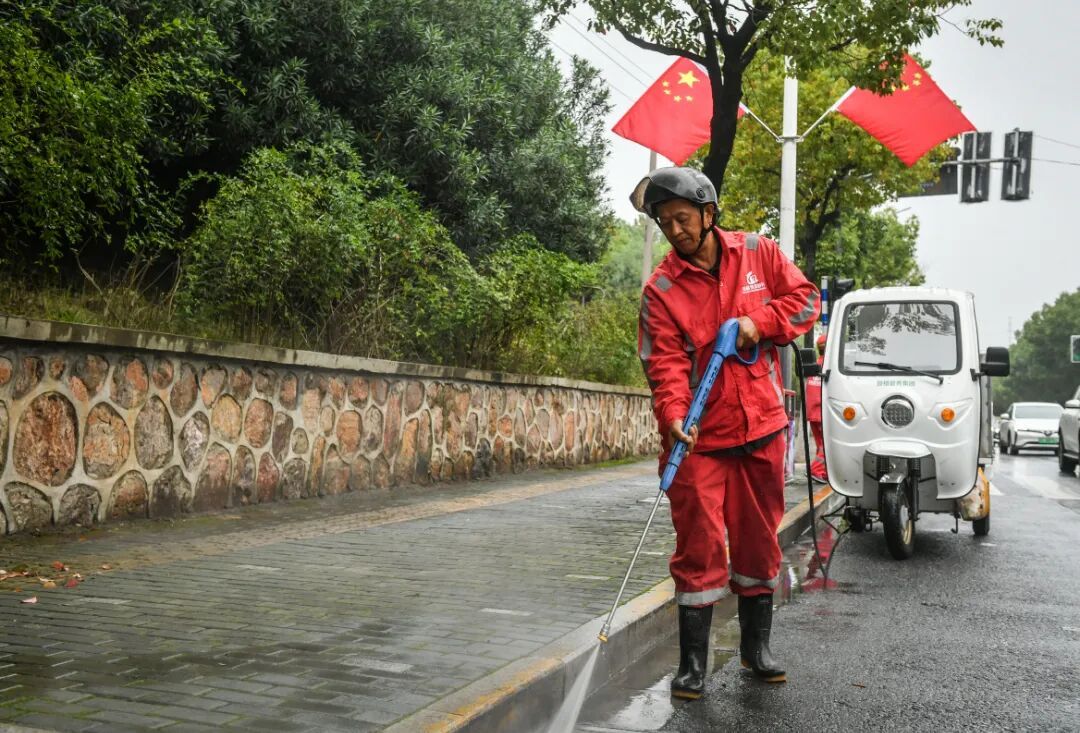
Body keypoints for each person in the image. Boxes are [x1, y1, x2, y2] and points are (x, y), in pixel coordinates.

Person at [633, 167, 820, 698]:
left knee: (759, 541)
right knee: (698, 546)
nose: (675, 230)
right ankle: (693, 663)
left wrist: (758, 323)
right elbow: (664, 365)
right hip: (699, 439)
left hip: (761, 428)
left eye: (683, 218)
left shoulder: (759, 253)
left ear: (709, 214)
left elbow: (806, 301)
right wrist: (674, 416)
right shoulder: (661, 290)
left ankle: (755, 650)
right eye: (665, 222)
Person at [807, 332, 828, 482]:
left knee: (820, 444)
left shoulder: (815, 366)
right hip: (822, 413)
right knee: (826, 445)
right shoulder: (828, 366)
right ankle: (816, 470)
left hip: (812, 412)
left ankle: (823, 472)